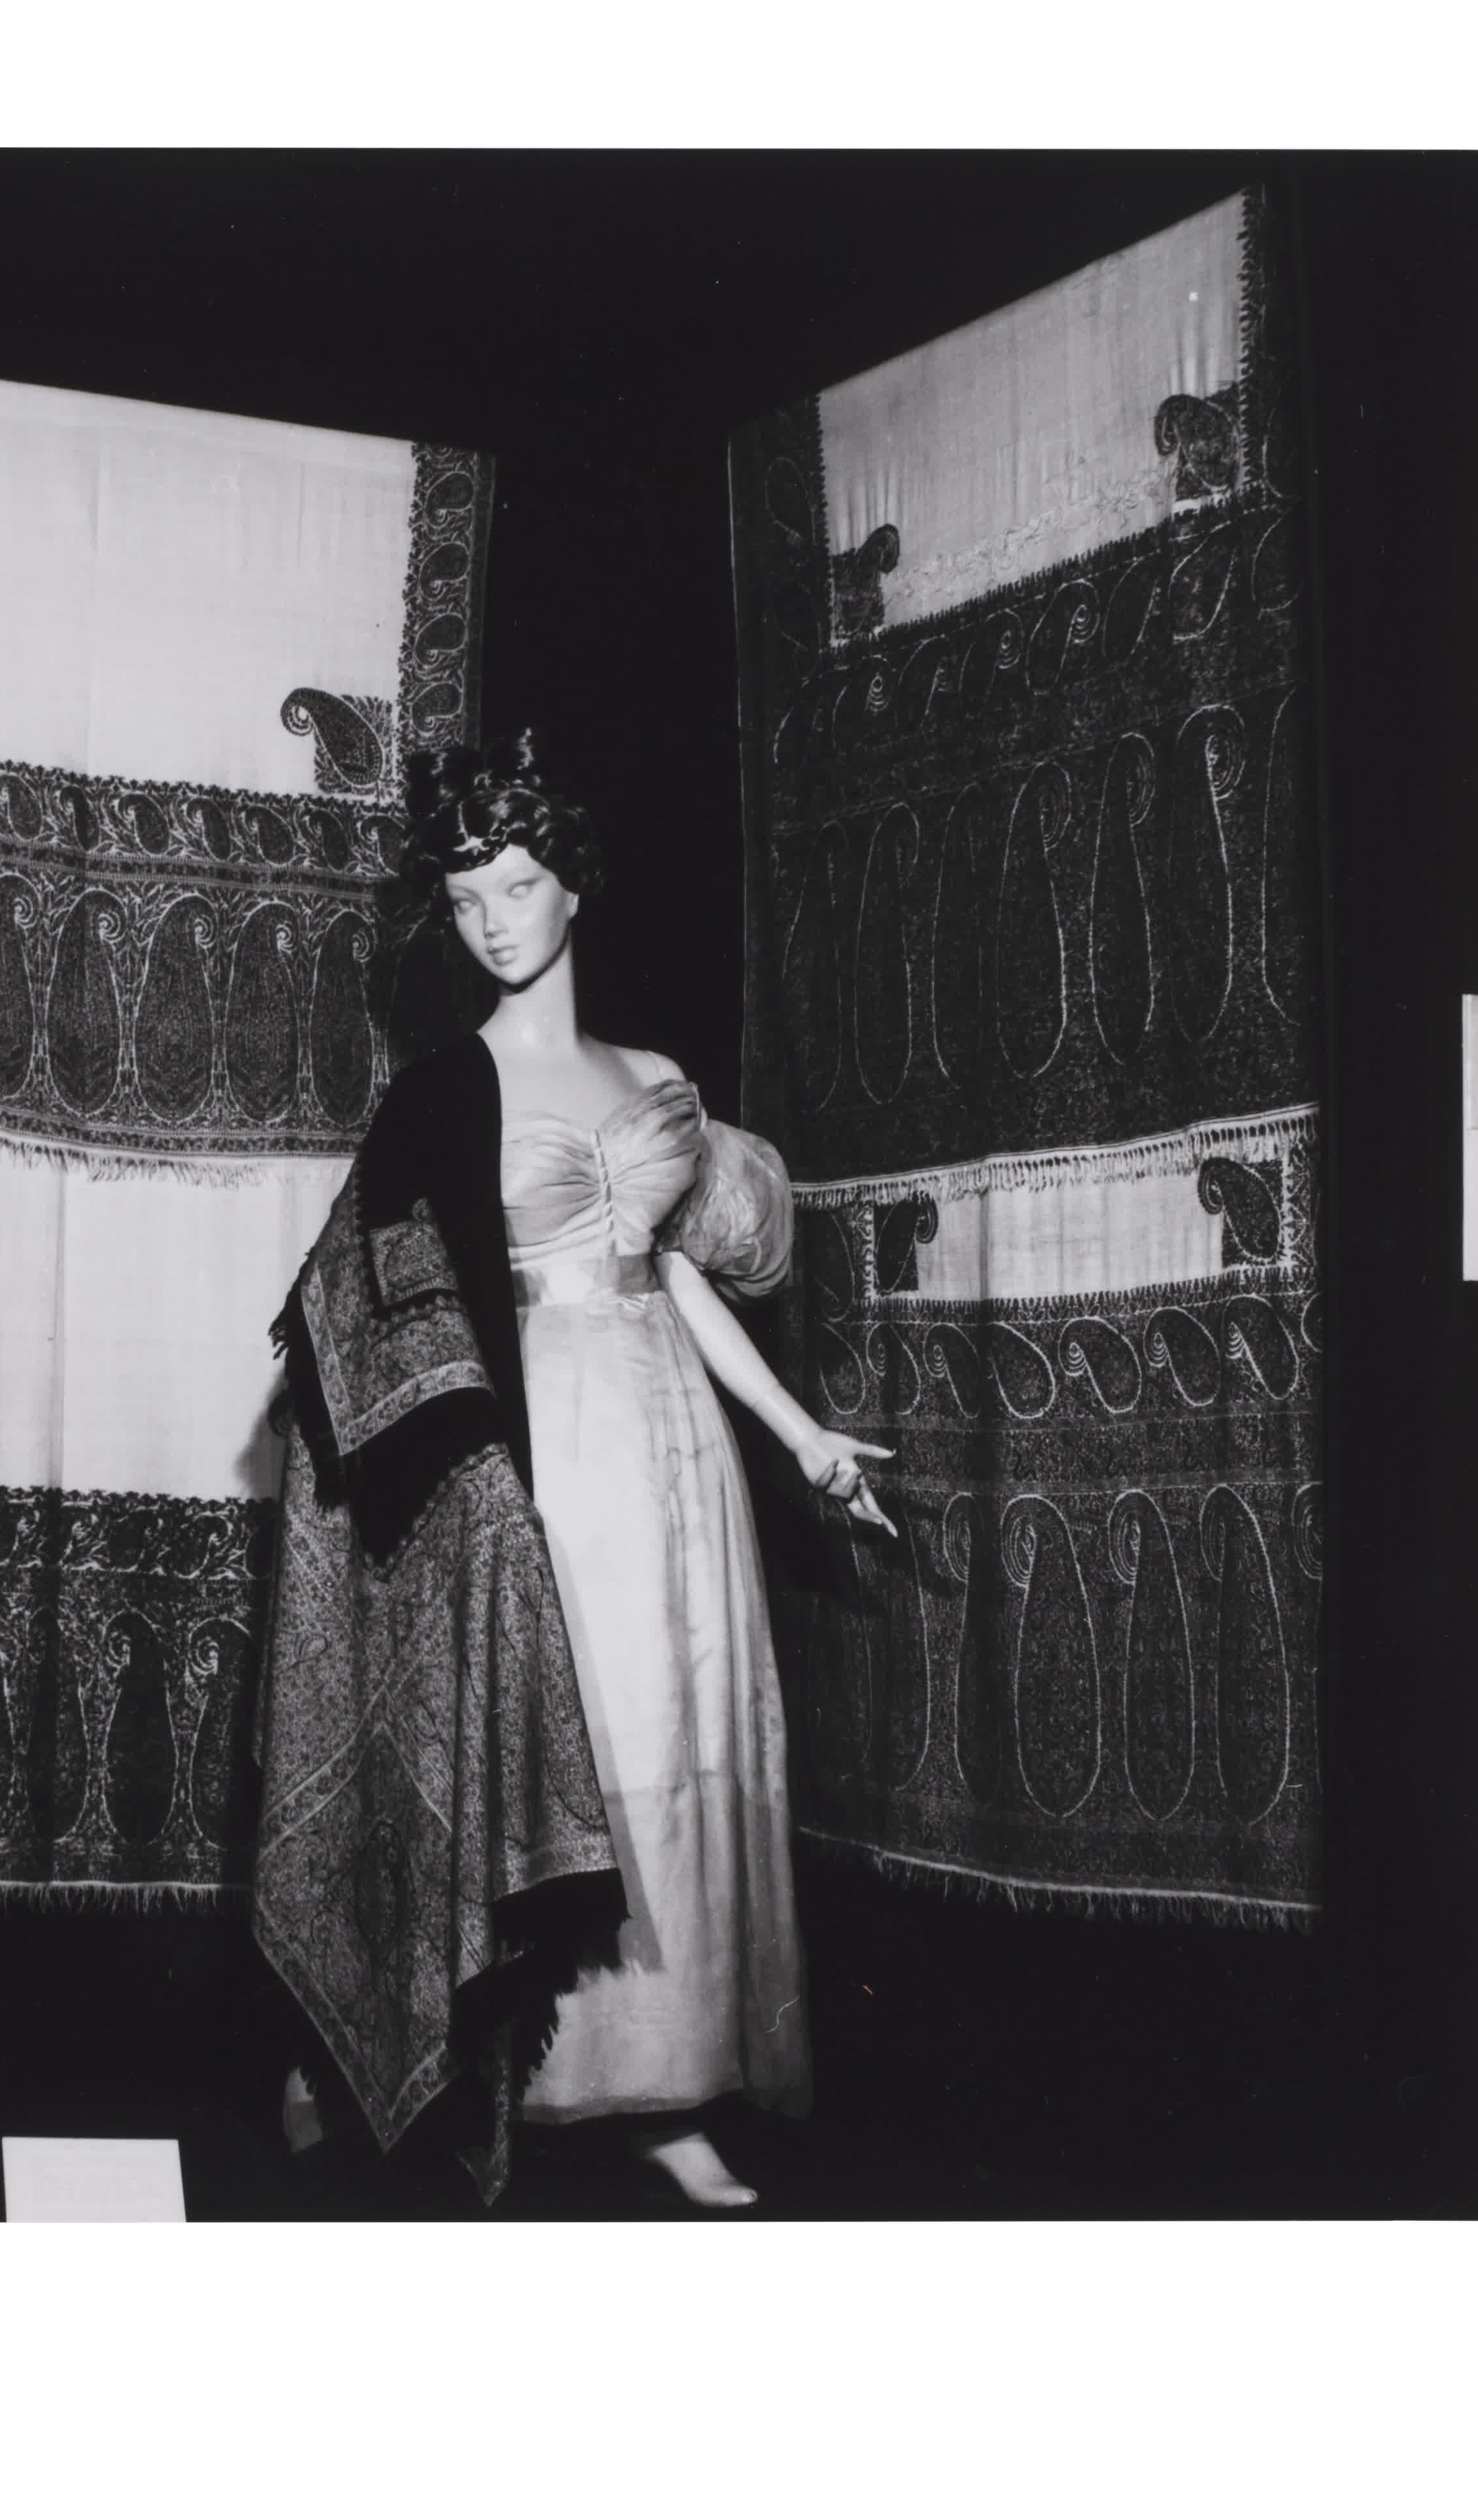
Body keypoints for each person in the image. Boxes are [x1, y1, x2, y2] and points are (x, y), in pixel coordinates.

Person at [372, 732, 892, 2208]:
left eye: (517, 885)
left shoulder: (656, 1077)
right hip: (544, 1439)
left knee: (679, 1729)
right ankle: (533, 2076)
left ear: (573, 886)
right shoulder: (449, 1088)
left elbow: (675, 1276)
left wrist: (798, 1435)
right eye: (465, 897)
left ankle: (670, 2086)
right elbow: (386, 1302)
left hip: (672, 1438)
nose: (492, 921)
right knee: (581, 1739)